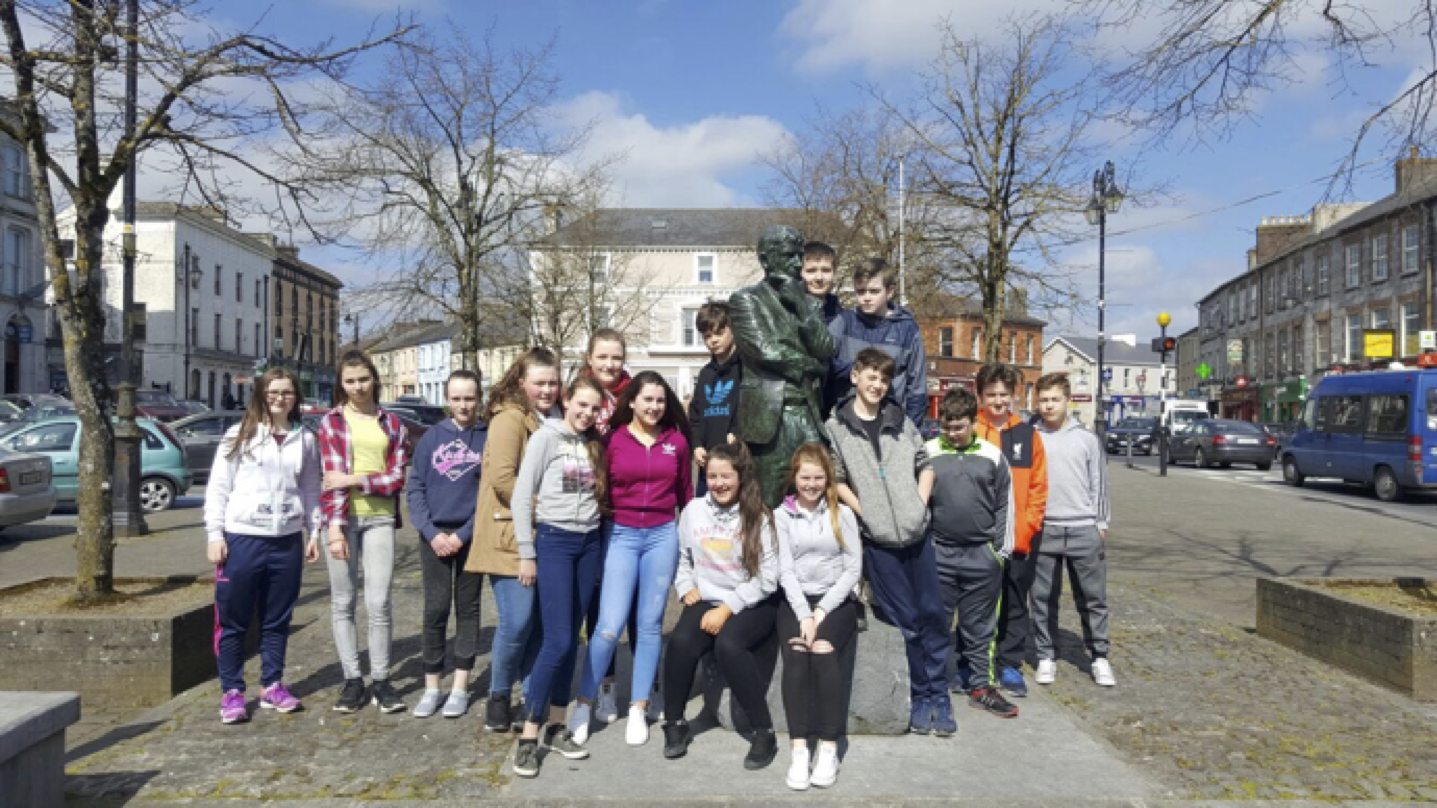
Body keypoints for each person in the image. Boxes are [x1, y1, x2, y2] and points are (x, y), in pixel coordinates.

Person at [824, 348, 948, 734]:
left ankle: (939, 696)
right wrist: (865, 512)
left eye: (883, 379)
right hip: (879, 543)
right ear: (855, 377)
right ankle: (919, 694)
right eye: (871, 377)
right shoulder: (836, 427)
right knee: (906, 620)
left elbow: (925, 465)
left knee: (933, 614)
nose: (877, 385)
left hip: (917, 535)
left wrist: (919, 504)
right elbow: (836, 479)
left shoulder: (899, 418)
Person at [571, 371, 692, 747]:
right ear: (633, 402)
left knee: (650, 624)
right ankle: (584, 703)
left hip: (661, 535)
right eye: (647, 400)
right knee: (608, 625)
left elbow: (686, 496)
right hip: (620, 534)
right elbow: (597, 491)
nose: (654, 406)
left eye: (660, 400)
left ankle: (639, 706)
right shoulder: (613, 440)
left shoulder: (676, 442)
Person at [205, 368, 323, 724]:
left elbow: (311, 488)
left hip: (286, 540)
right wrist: (215, 534)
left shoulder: (305, 439)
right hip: (242, 538)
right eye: (273, 392)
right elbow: (218, 487)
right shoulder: (239, 435)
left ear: (296, 397)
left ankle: (272, 684)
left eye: (287, 392)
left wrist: (314, 531)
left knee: (277, 619)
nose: (280, 398)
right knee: (234, 620)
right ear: (260, 395)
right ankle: (232, 691)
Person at [509, 376, 608, 779]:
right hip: (554, 541)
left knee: (572, 641)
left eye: (594, 408)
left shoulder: (594, 443)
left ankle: (555, 725)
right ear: (566, 400)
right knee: (557, 640)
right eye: (581, 405)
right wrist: (526, 552)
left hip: (588, 543)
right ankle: (528, 736)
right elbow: (521, 495)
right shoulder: (545, 438)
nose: (587, 413)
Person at [661, 442, 781, 769]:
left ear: (740, 476)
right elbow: (683, 558)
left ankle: (764, 732)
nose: (718, 483)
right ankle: (674, 723)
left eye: (725, 476)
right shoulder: (693, 511)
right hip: (708, 597)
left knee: (729, 645)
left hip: (753, 600)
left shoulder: (758, 515)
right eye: (712, 476)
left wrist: (727, 608)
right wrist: (685, 587)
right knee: (681, 642)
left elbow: (768, 578)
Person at [465, 348, 562, 732]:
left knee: (537, 623)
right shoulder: (509, 418)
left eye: (553, 382)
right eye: (540, 383)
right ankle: (499, 694)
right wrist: (549, 506)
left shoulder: (553, 418)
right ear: (521, 382)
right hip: (509, 533)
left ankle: (532, 697)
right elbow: (503, 479)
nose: (547, 390)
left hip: (543, 534)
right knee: (517, 621)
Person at [318, 351, 410, 713]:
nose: (358, 387)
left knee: (379, 602)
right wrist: (335, 529)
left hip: (380, 519)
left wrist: (354, 479)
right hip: (342, 520)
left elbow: (396, 479)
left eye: (363, 379)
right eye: (350, 381)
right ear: (341, 385)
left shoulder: (393, 424)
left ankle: (382, 680)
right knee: (343, 602)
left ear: (374, 379)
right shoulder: (331, 423)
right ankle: (352, 680)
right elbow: (331, 481)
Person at [925, 386, 1019, 722]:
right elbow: (919, 502)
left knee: (980, 628)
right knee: (936, 624)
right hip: (940, 555)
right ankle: (932, 688)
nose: (952, 434)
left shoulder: (993, 456)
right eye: (946, 427)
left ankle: (982, 687)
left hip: (981, 555)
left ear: (973, 423)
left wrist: (998, 551)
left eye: (959, 427)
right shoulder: (928, 453)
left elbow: (1005, 503)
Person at [774, 443, 861, 791]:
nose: (811, 485)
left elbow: (853, 568)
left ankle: (828, 746)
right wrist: (803, 614)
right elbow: (784, 570)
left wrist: (822, 610)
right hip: (796, 600)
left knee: (823, 651)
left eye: (818, 478)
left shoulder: (843, 514)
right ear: (794, 478)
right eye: (805, 478)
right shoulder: (781, 516)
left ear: (827, 479)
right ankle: (799, 749)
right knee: (797, 653)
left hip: (835, 601)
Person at [729, 225, 835, 506]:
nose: (798, 263)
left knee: (814, 495)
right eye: (789, 256)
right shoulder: (746, 300)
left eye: (800, 256)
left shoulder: (808, 303)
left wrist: (801, 304)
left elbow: (826, 349)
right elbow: (765, 351)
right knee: (767, 500)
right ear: (766, 260)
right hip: (770, 418)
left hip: (808, 412)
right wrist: (812, 365)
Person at [406, 369, 488, 719]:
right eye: (456, 398)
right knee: (436, 609)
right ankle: (432, 686)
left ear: (479, 398)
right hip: (434, 536)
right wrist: (431, 532)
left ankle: (460, 686)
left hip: (471, 535)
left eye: (469, 398)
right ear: (446, 399)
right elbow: (415, 488)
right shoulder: (431, 438)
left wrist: (463, 534)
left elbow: (489, 495)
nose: (463, 405)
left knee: (467, 608)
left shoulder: (488, 437)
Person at [1031, 373, 1115, 688]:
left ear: (1067, 401)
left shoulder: (1087, 439)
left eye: (1055, 399)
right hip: (1045, 528)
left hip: (1082, 527)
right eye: (1043, 400)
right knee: (1042, 597)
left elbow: (1099, 483)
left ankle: (1099, 655)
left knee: (1092, 597)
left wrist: (1100, 524)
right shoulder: (1031, 436)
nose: (1049, 406)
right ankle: (1046, 655)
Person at [971, 363, 1048, 699]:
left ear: (1013, 396)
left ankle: (1009, 663)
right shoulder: (971, 431)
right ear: (980, 396)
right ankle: (974, 663)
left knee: (1015, 602)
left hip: (1019, 537)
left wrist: (1027, 528)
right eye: (991, 394)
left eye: (1003, 394)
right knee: (977, 604)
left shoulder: (1029, 436)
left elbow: (1038, 488)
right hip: (979, 537)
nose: (998, 401)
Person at [576, 327, 633, 723]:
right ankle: (597, 685)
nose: (610, 364)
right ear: (590, 359)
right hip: (584, 511)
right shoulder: (578, 395)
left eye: (616, 357)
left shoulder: (633, 395)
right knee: (594, 606)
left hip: (624, 511)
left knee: (625, 604)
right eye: (603, 357)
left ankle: (628, 688)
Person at [829, 258, 928, 425]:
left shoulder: (907, 329)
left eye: (874, 291)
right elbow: (824, 363)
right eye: (861, 291)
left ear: (889, 292)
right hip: (847, 419)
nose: (866, 297)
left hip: (891, 422)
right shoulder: (843, 322)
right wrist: (854, 370)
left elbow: (917, 387)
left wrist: (911, 429)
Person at [686, 300, 741, 496]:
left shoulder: (746, 369)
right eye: (707, 336)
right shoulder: (705, 374)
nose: (713, 340)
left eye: (719, 333)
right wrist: (697, 445)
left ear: (732, 330)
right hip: (708, 465)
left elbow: (754, 407)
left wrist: (739, 432)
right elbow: (695, 416)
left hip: (738, 463)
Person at [798, 240, 846, 418]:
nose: (819, 278)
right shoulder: (787, 312)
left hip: (833, 409)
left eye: (826, 270)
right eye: (811, 271)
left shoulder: (843, 317)